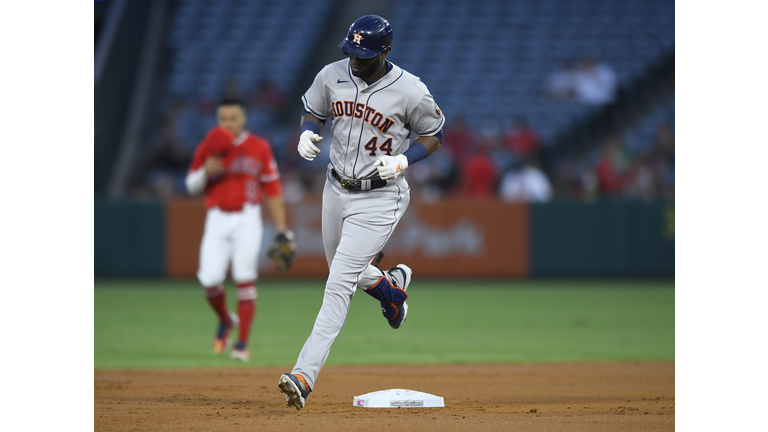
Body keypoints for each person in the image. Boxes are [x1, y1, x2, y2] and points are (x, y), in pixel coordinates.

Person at [277, 15, 445, 410]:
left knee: (338, 283)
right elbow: (313, 110)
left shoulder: (409, 89)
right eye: (351, 50)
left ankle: (303, 375)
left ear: (385, 51)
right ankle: (391, 289)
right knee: (340, 266)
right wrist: (306, 130)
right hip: (334, 188)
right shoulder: (332, 74)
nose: (354, 59)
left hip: (380, 196)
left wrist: (405, 161)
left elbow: (434, 134)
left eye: (364, 54)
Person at [185, 97, 293, 362]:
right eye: (223, 119)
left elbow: (273, 188)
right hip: (217, 217)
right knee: (209, 280)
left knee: (245, 278)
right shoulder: (209, 147)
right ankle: (226, 319)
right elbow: (191, 186)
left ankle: (242, 344)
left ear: (243, 119)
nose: (228, 123)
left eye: (233, 118)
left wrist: (282, 228)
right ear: (217, 121)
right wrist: (205, 172)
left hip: (248, 216)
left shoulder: (259, 146)